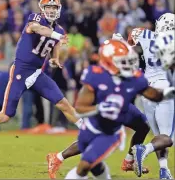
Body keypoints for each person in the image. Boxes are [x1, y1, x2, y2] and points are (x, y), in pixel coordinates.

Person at [0, 0, 82, 154]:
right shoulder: (36, 19)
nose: (52, 11)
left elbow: (55, 44)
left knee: (63, 103)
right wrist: (57, 36)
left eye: (54, 8)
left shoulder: (59, 30)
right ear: (42, 9)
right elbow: (38, 29)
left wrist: (54, 58)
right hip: (21, 70)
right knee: (6, 115)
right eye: (49, 7)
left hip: (37, 73)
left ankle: (87, 129)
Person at [47, 39, 174, 179]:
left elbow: (154, 95)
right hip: (99, 117)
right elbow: (80, 107)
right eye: (123, 60)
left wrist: (169, 92)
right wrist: (101, 108)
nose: (128, 64)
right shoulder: (96, 75)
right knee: (93, 155)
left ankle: (129, 161)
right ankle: (58, 157)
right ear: (109, 62)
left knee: (143, 126)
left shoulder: (135, 78)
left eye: (128, 59)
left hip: (121, 114)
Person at [129, 13, 175, 179]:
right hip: (165, 90)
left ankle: (164, 171)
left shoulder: (144, 34)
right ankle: (144, 149)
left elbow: (130, 45)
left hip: (147, 91)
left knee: (159, 137)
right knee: (167, 138)